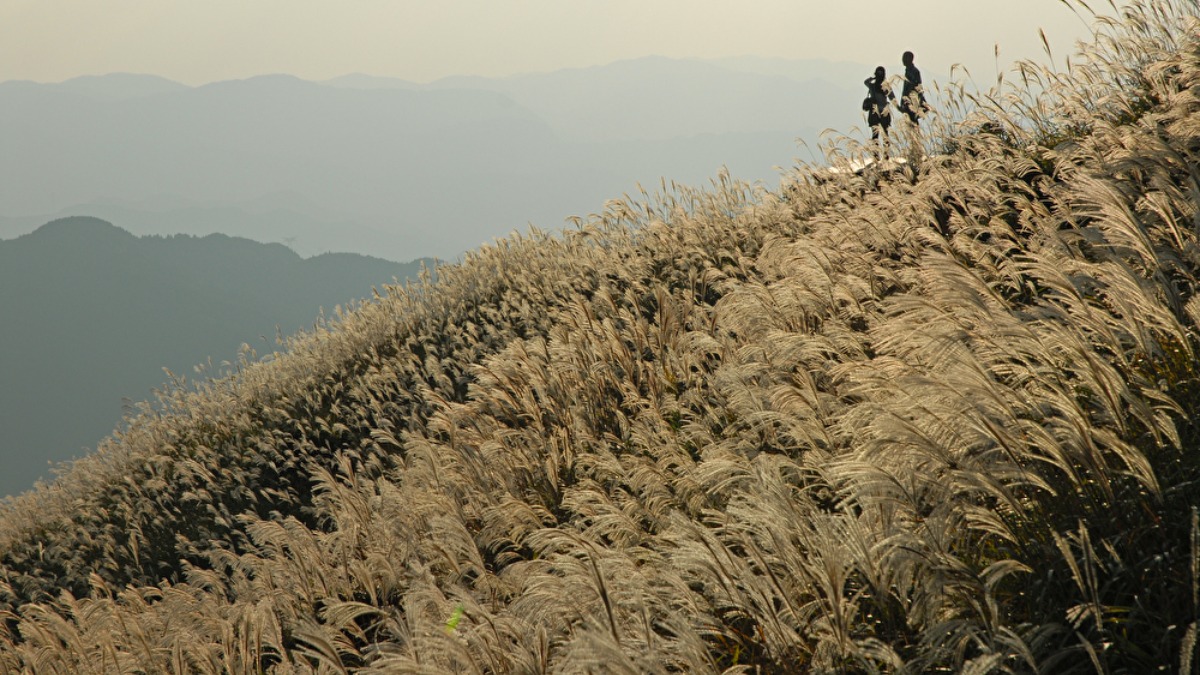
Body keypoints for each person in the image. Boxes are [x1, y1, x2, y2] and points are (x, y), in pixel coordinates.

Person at [864, 66, 895, 156]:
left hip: (874, 113)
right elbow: (892, 97)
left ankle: (875, 154)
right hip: (884, 112)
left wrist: (872, 78)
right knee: (885, 134)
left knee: (875, 134)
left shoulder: (872, 85)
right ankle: (886, 154)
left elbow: (865, 82)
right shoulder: (886, 87)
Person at [900, 51, 927, 125]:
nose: (903, 60)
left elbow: (916, 86)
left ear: (910, 59)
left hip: (912, 101)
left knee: (913, 121)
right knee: (910, 122)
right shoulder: (908, 70)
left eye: (905, 58)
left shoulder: (914, 71)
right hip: (908, 101)